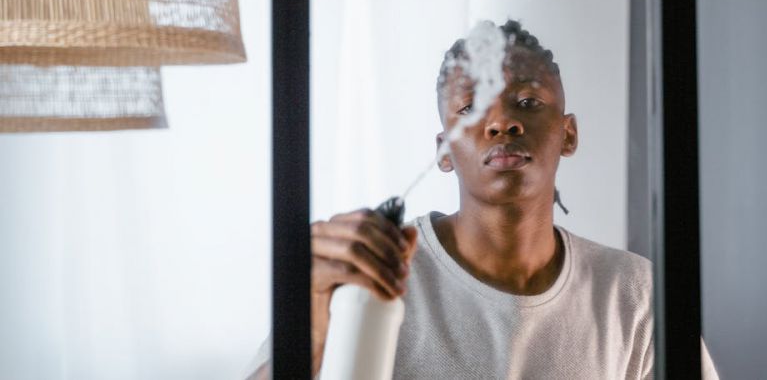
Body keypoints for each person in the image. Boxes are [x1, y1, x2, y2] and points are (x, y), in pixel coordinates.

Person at [248, 20, 718, 379]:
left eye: (528, 103)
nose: (501, 123)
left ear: (568, 134)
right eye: (470, 108)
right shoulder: (368, 276)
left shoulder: (637, 296)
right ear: (443, 152)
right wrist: (309, 329)